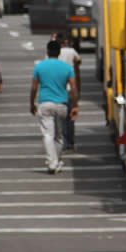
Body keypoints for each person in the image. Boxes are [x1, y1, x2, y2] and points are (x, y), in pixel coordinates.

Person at [30, 39, 79, 174]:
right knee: (59, 136)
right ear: (59, 53)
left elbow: (34, 87)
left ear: (47, 52)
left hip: (45, 103)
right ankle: (56, 161)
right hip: (62, 104)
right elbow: (74, 88)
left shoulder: (40, 67)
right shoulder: (67, 68)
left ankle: (52, 163)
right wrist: (75, 105)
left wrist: (31, 103)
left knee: (48, 134)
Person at [57, 34, 81, 152]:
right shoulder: (72, 51)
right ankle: (70, 143)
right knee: (70, 118)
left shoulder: (55, 53)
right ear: (67, 41)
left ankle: (62, 142)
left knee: (60, 118)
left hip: (58, 89)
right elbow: (79, 62)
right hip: (70, 88)